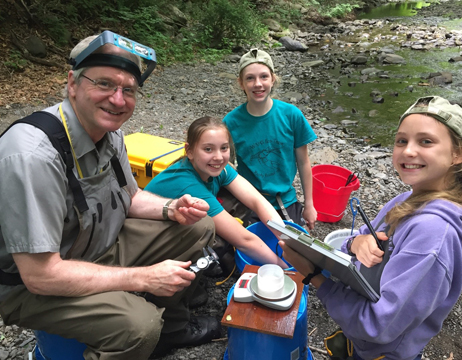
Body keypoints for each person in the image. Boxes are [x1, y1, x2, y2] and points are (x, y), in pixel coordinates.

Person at [0, 31, 221, 360]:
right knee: (139, 326)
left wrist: (172, 207)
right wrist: (145, 278)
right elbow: (40, 275)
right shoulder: (33, 155)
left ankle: (169, 329)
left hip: (94, 248)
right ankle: (138, 333)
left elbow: (129, 198)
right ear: (73, 83)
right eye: (104, 84)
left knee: (198, 227)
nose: (118, 100)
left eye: (128, 90)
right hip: (31, 282)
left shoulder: (110, 134)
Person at [279, 96, 462, 360]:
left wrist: (313, 275)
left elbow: (377, 325)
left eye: (426, 141)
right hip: (360, 342)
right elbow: (362, 237)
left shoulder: (433, 235)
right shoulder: (408, 199)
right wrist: (355, 244)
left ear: (459, 153)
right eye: (401, 140)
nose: (408, 151)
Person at [145, 116, 288, 270]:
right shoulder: (188, 185)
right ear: (190, 151)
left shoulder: (217, 168)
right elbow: (244, 241)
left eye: (224, 148)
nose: (219, 157)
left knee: (238, 198)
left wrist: (288, 240)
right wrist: (287, 268)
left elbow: (256, 201)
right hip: (148, 241)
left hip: (174, 222)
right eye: (208, 149)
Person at [223, 48, 318, 230]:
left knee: (293, 253)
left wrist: (309, 204)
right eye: (250, 78)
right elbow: (225, 166)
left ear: (273, 79)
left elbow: (303, 162)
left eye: (264, 77)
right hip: (249, 202)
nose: (258, 84)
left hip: (286, 200)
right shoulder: (231, 122)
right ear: (241, 83)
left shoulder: (291, 115)